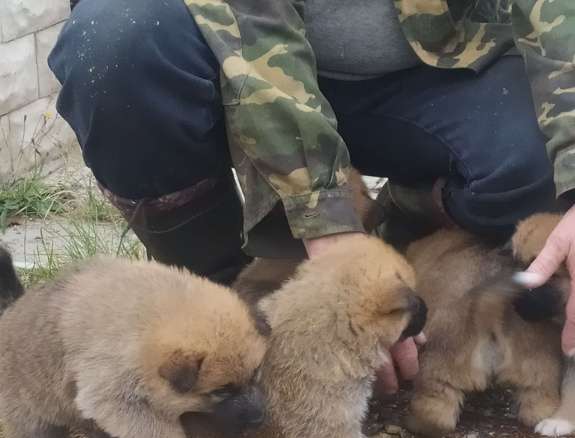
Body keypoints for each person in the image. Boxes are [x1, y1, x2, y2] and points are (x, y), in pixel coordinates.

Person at [49, 0, 575, 394]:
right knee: (117, 45)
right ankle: (215, 306)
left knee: (535, 177)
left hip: (437, 70)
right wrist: (329, 230)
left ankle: (409, 217)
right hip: (234, 59)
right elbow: (256, 33)